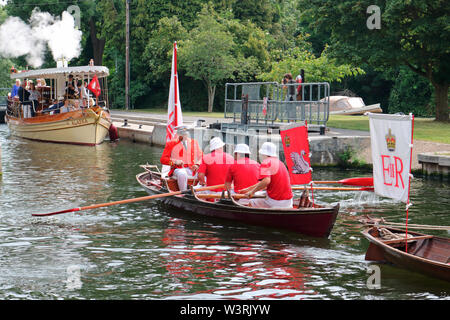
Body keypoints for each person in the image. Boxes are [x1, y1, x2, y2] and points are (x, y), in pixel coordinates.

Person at [241, 142, 293, 208]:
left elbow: (266, 181)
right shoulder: (281, 163)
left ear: (263, 153)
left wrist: (252, 192)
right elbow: (265, 183)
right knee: (258, 194)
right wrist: (249, 189)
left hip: (276, 201)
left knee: (252, 201)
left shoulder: (265, 162)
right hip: (288, 201)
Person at [160, 126, 203, 191]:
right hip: (177, 169)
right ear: (178, 134)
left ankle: (202, 191)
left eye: (186, 134)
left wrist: (197, 164)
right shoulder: (171, 144)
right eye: (182, 134)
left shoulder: (194, 143)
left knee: (205, 172)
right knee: (182, 174)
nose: (184, 136)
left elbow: (202, 157)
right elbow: (163, 159)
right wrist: (174, 161)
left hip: (192, 168)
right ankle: (184, 192)